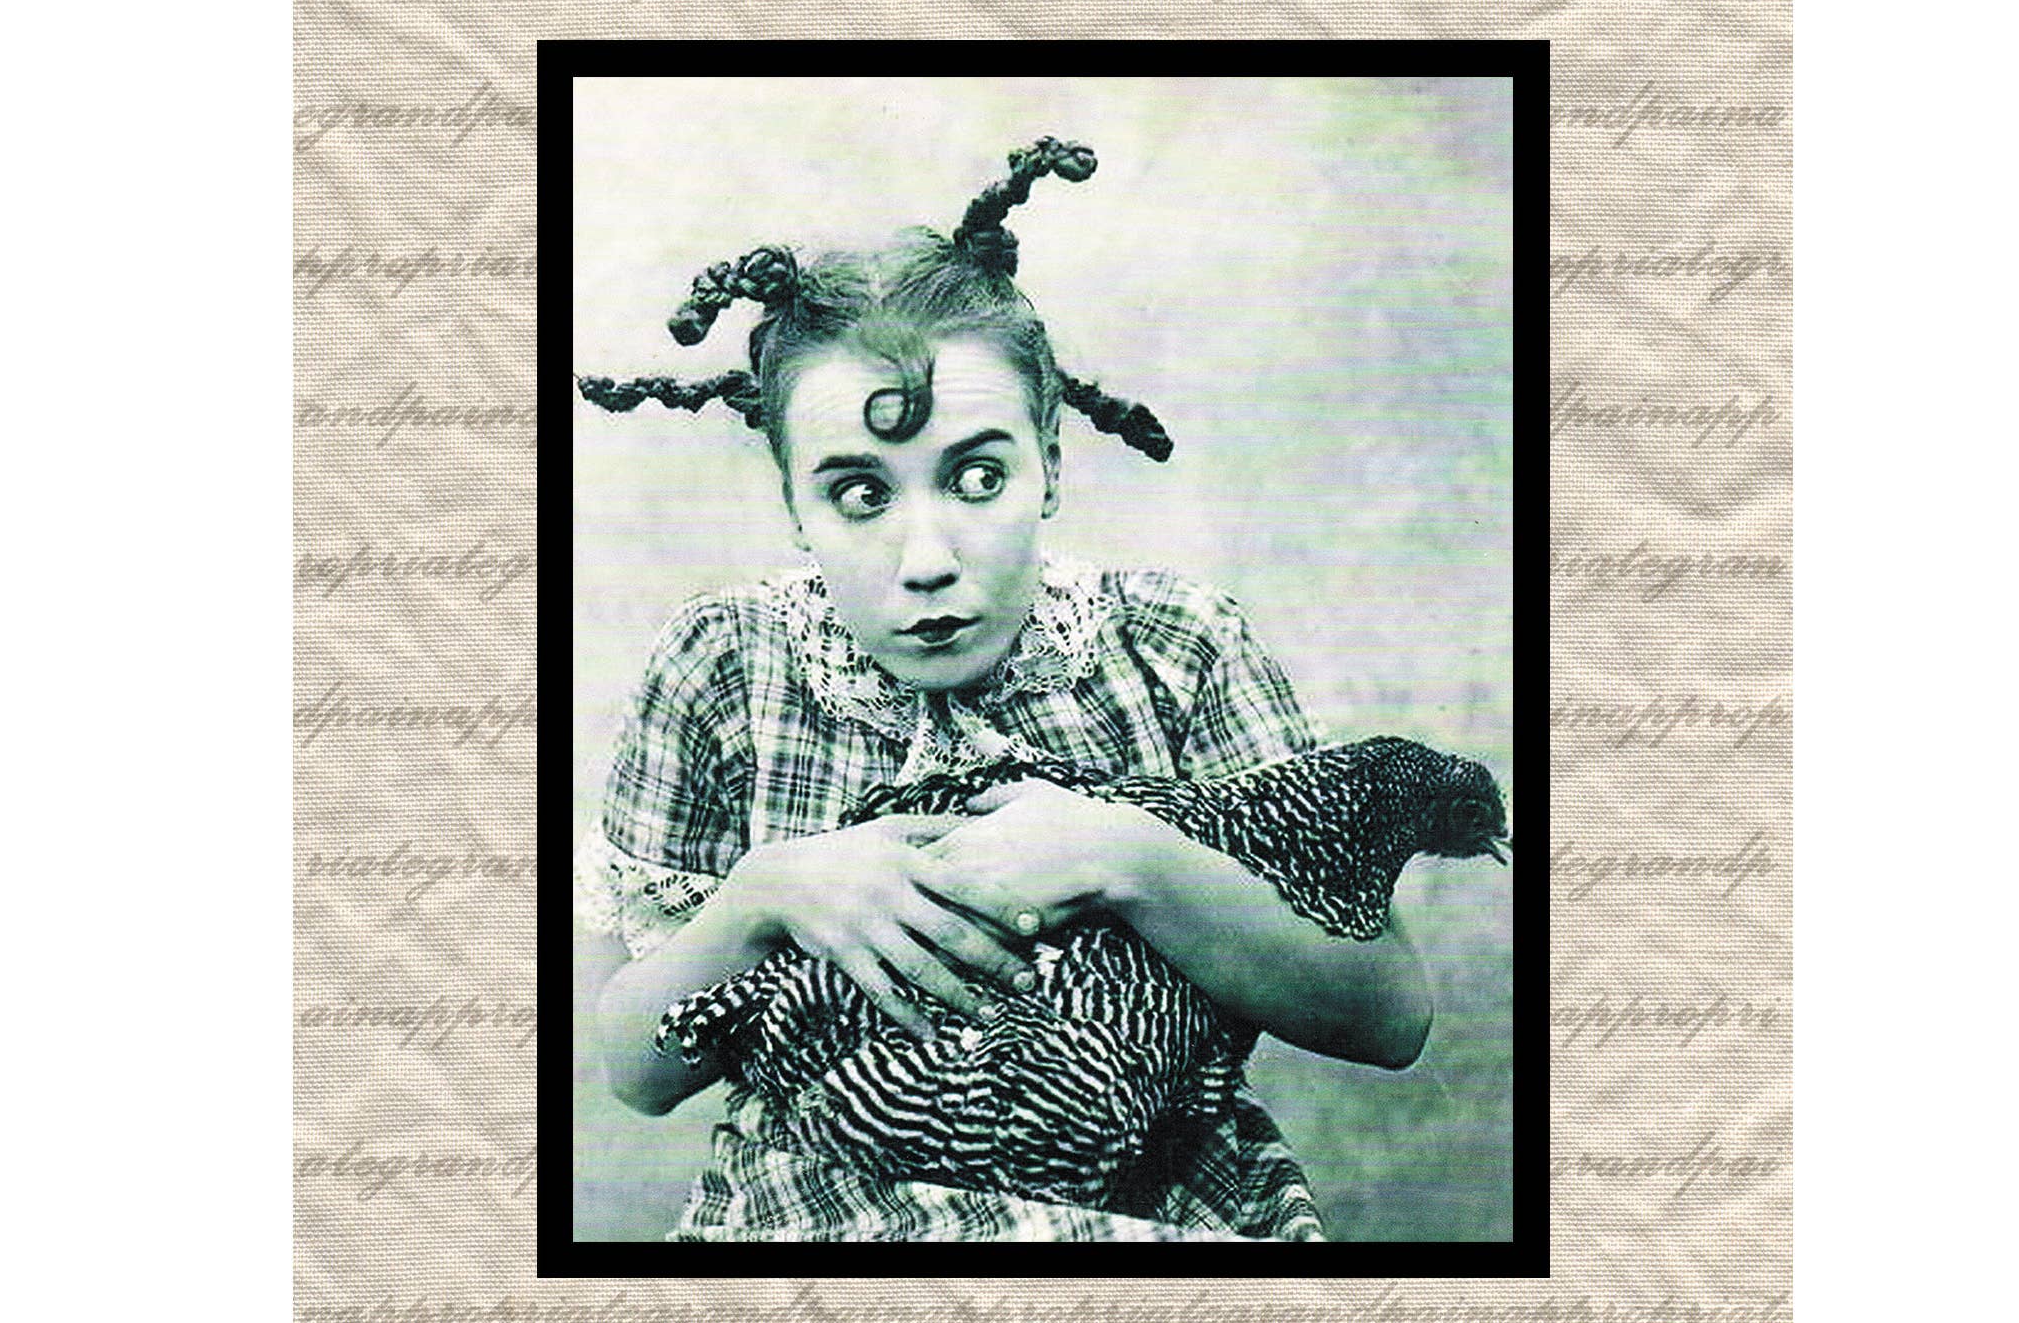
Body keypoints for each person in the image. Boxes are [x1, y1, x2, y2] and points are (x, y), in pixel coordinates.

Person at [574, 138, 1433, 1241]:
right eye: (858, 494)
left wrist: (1132, 859)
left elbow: (1387, 1015)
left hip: (1153, 1205)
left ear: (1052, 466)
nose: (926, 558)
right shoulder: (723, 665)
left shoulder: (1180, 650)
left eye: (978, 477)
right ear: (794, 507)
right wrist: (762, 898)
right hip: (817, 1215)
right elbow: (636, 1069)